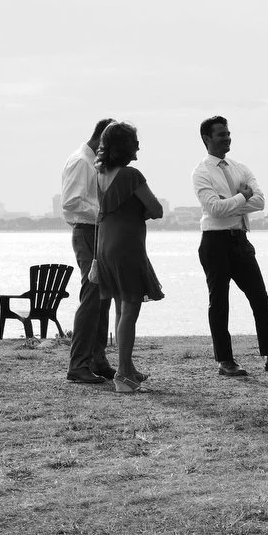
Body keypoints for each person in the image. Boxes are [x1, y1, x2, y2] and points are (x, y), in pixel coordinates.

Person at [193, 115, 268, 377]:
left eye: (228, 133)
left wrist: (234, 201)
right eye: (221, 134)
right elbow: (214, 209)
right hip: (214, 242)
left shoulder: (241, 168)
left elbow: (259, 201)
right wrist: (242, 197)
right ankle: (225, 361)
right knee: (219, 302)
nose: (227, 138)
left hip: (240, 240)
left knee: (260, 298)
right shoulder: (201, 171)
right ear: (207, 138)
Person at [93, 122, 165, 393]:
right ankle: (123, 374)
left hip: (105, 245)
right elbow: (156, 209)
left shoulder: (100, 173)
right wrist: (141, 212)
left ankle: (127, 366)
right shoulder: (131, 175)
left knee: (120, 307)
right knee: (130, 308)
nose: (138, 146)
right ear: (125, 146)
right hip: (127, 246)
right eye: (134, 141)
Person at [58, 117, 117, 385]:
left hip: (97, 231)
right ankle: (78, 364)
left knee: (103, 296)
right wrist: (104, 213)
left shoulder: (91, 161)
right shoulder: (81, 161)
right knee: (92, 296)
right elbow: (70, 201)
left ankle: (97, 359)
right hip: (87, 232)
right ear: (103, 139)